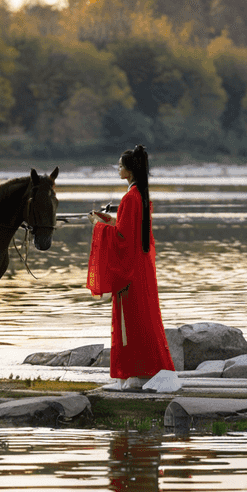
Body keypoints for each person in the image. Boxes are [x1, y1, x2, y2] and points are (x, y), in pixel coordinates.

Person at [86, 145, 175, 390]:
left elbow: (122, 239)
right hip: (141, 267)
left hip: (130, 271)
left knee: (132, 321)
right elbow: (128, 230)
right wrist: (107, 220)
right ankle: (143, 371)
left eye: (120, 165)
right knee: (143, 318)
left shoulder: (129, 198)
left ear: (130, 170)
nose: (118, 168)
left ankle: (135, 372)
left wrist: (97, 226)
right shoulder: (141, 196)